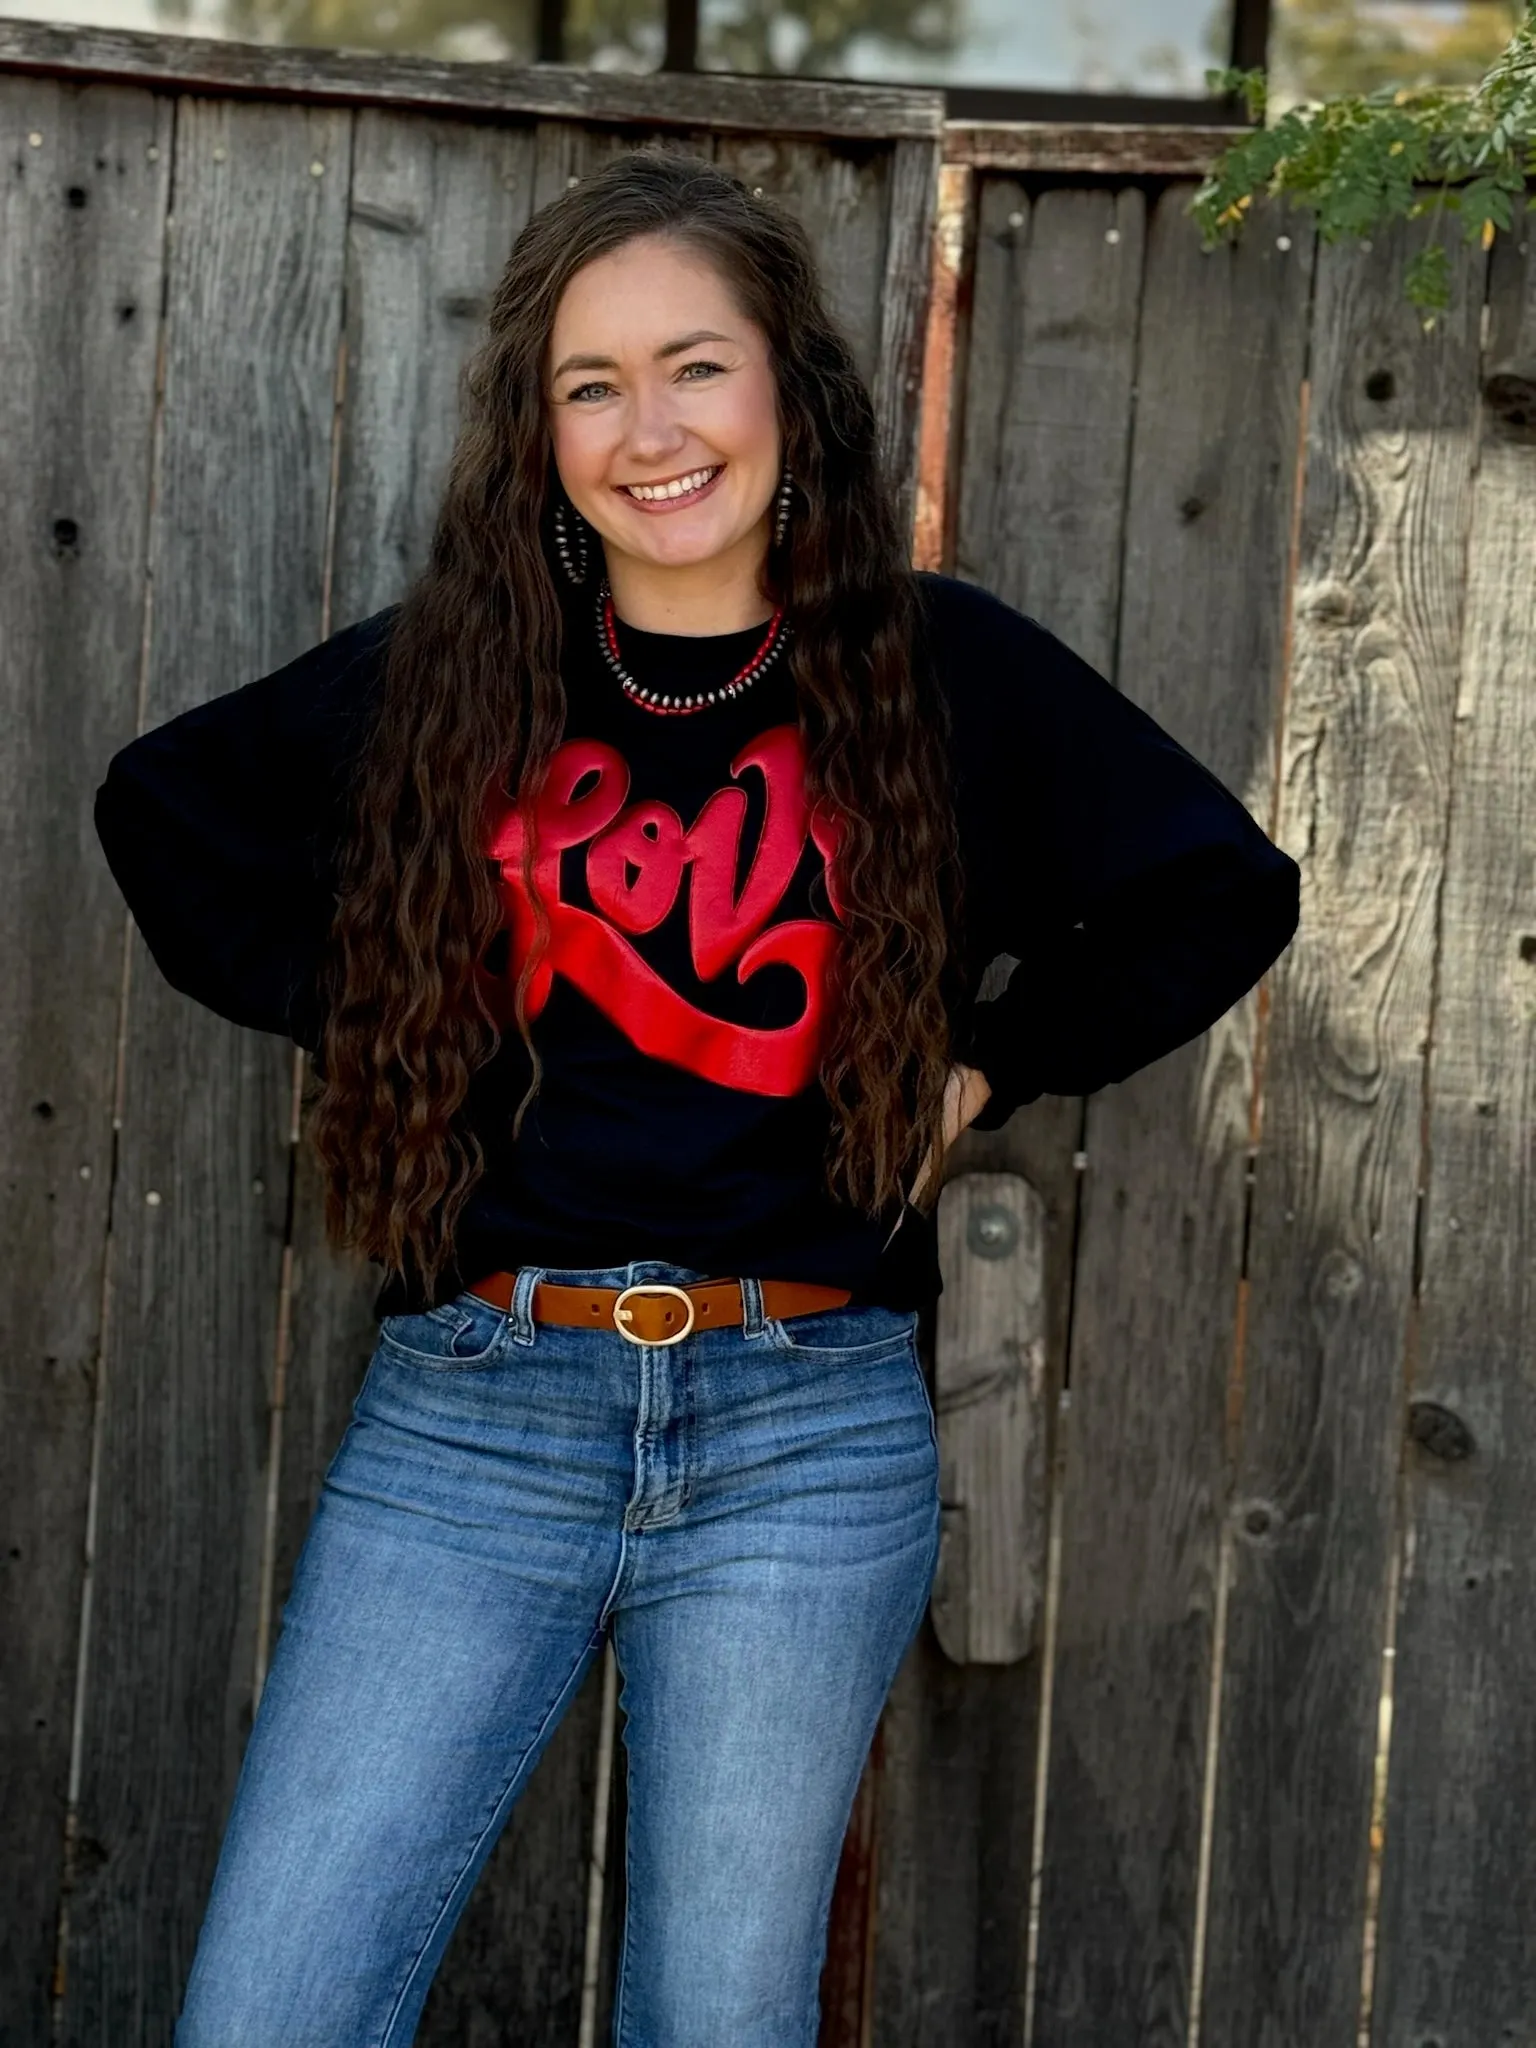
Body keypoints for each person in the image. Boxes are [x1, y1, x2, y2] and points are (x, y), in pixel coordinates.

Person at [93, 147, 1299, 2048]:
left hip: (804, 1436)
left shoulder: (938, 668)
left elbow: (1222, 893)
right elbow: (164, 816)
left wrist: (1000, 1058)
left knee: (716, 2023)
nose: (648, 428)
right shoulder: (467, 674)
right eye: (592, 384)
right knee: (270, 2009)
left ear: (788, 391)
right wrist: (399, 1006)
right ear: (540, 432)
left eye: (694, 366)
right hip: (475, 1418)